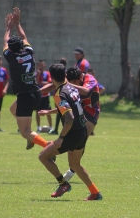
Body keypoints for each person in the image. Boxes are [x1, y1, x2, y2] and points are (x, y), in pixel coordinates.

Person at [38, 63, 102, 201]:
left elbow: (69, 117)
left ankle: (63, 184)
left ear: (52, 77)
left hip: (72, 134)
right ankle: (95, 192)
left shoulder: (59, 94)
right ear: (65, 76)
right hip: (82, 132)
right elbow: (71, 110)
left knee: (43, 156)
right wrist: (50, 111)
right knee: (75, 165)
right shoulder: (72, 90)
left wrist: (61, 137)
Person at [3, 7, 49, 150]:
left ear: (11, 49)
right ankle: (32, 137)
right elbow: (24, 37)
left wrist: (8, 28)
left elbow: (5, 42)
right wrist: (17, 24)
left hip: (25, 96)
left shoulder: (11, 57)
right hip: (35, 93)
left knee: (25, 132)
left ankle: (48, 146)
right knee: (13, 109)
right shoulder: (29, 52)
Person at [49, 57, 68, 135]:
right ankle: (60, 130)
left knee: (63, 111)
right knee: (63, 111)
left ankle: (59, 130)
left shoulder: (57, 73)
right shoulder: (66, 74)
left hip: (59, 95)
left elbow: (52, 85)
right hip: (63, 94)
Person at [35, 60, 53, 133]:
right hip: (38, 96)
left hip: (45, 96)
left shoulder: (47, 74)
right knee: (37, 111)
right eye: (39, 65)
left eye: (42, 65)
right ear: (37, 66)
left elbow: (50, 83)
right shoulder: (36, 74)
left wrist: (41, 83)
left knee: (48, 111)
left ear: (44, 66)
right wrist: (38, 75)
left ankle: (51, 127)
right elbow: (35, 83)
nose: (41, 67)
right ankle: (38, 127)